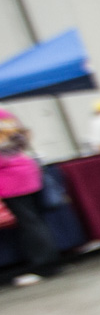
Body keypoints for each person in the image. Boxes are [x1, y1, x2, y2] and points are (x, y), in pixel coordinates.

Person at [0, 107, 60, 285]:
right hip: (27, 171)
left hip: (11, 180)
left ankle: (44, 266)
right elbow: (23, 138)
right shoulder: (6, 115)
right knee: (35, 221)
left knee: (30, 223)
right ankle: (50, 262)